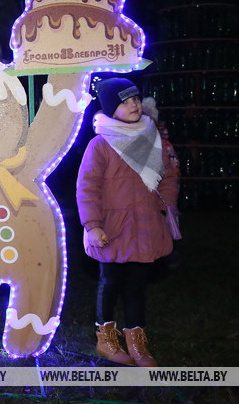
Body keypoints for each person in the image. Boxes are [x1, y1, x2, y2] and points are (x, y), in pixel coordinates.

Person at [76, 77, 179, 367]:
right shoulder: (101, 144)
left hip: (145, 226)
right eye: (124, 101)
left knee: (136, 285)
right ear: (111, 109)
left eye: (135, 99)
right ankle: (106, 339)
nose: (133, 104)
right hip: (113, 228)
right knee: (109, 282)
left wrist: (165, 206)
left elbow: (168, 173)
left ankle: (137, 341)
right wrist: (93, 224)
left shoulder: (153, 138)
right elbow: (87, 187)